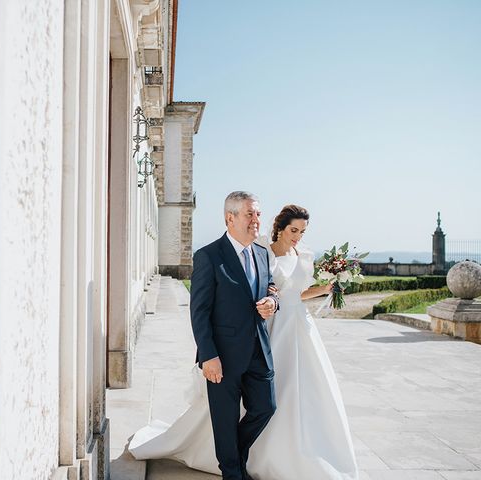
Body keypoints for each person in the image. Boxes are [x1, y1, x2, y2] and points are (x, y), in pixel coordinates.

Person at [129, 203, 359, 480]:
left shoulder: (286, 254)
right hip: (259, 334)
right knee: (228, 411)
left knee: (268, 406)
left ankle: (234, 454)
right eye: (294, 229)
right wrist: (208, 354)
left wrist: (322, 289)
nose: (298, 235)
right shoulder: (228, 254)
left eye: (302, 231)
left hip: (288, 329)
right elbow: (199, 311)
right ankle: (232, 468)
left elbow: (277, 292)